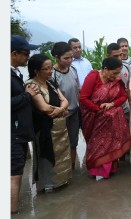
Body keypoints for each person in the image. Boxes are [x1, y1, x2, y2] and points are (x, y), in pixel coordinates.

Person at [79, 57, 131, 180]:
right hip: (94, 117)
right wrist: (99, 110)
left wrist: (112, 104)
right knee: (97, 144)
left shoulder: (116, 81)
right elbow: (83, 98)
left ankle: (110, 169)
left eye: (118, 73)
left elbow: (123, 96)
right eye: (114, 73)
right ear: (106, 69)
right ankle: (97, 170)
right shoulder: (93, 77)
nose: (116, 76)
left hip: (110, 119)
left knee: (111, 142)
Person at [27, 54, 72, 191]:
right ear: (36, 71)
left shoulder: (51, 83)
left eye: (51, 68)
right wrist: (62, 110)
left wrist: (60, 109)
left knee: (61, 155)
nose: (50, 71)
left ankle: (61, 181)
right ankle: (48, 184)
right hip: (44, 128)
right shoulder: (31, 85)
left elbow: (65, 100)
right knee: (46, 154)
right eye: (46, 69)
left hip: (60, 128)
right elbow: (44, 107)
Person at [11, 35, 40, 214]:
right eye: (25, 53)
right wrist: (27, 95)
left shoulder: (15, 72)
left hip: (18, 131)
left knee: (17, 170)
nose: (28, 57)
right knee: (13, 173)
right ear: (14, 53)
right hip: (11, 131)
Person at [51, 42, 80, 170]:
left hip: (74, 112)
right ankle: (61, 169)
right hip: (61, 114)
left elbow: (77, 89)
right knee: (60, 144)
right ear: (57, 58)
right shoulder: (52, 74)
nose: (70, 61)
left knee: (73, 142)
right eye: (66, 58)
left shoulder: (73, 69)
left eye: (71, 57)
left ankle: (72, 167)